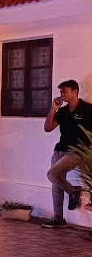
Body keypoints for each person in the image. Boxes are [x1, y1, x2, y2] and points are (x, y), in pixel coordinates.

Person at [42, 79, 92, 228]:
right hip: (59, 150)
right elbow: (48, 128)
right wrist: (53, 109)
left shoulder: (88, 109)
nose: (62, 94)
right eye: (61, 91)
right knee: (56, 182)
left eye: (65, 91)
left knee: (52, 174)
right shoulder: (62, 111)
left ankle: (74, 191)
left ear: (75, 92)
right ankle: (58, 218)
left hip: (76, 152)